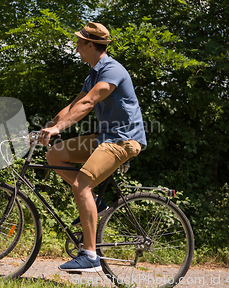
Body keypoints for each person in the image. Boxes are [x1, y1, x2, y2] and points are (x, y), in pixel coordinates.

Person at [38, 22, 147, 272]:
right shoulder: (93, 73)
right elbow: (74, 104)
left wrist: (58, 129)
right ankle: (96, 203)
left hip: (123, 140)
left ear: (90, 44)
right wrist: (46, 128)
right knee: (54, 153)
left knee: (81, 184)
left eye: (79, 42)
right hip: (104, 137)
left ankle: (90, 255)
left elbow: (89, 102)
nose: (76, 47)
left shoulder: (112, 70)